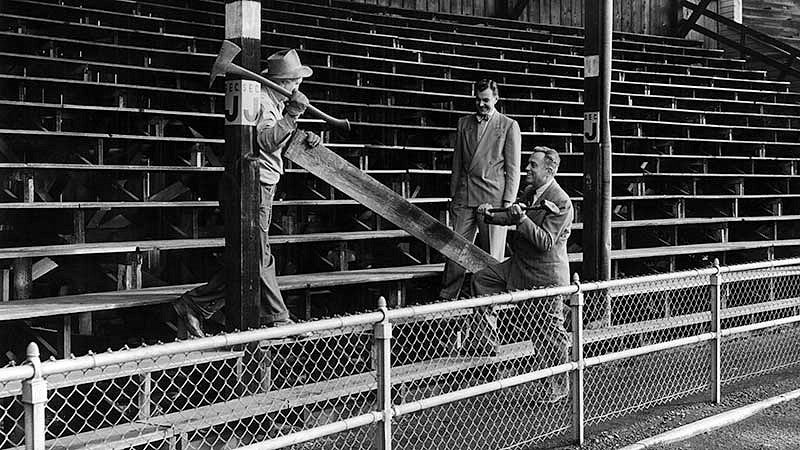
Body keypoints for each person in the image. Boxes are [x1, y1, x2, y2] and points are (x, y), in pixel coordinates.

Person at [173, 49, 320, 339]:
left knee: (249, 257)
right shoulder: (267, 103)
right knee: (260, 256)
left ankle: (194, 304)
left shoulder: (274, 100)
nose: (298, 87)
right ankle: (278, 318)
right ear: (283, 81)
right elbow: (265, 141)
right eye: (294, 82)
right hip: (256, 185)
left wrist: (305, 137)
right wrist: (293, 115)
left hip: (262, 183)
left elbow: (278, 137)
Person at [472, 146, 573, 401]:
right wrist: (489, 215)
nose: (527, 168)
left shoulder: (561, 200)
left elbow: (546, 241)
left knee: (548, 333)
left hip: (545, 276)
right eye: (528, 164)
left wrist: (521, 221)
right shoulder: (530, 192)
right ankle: (486, 344)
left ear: (550, 170)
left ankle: (559, 387)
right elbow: (511, 215)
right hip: (519, 266)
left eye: (532, 165)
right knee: (482, 280)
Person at [439, 79, 521, 300]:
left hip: (493, 199)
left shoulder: (508, 125)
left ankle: (488, 304)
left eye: (486, 100)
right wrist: (454, 194)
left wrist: (507, 203)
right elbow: (457, 162)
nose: (481, 104)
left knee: (491, 256)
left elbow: (513, 168)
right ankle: (447, 300)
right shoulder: (463, 123)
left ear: (496, 98)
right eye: (477, 99)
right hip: (465, 196)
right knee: (455, 251)